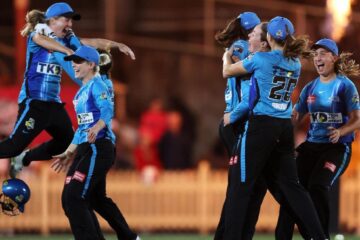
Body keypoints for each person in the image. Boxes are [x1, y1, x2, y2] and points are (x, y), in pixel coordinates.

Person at [222, 16, 326, 239]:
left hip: (260, 126)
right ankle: (319, 236)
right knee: (293, 187)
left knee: (241, 188)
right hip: (284, 128)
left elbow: (228, 72)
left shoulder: (261, 59)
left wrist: (225, 58)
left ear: (268, 38)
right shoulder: (295, 63)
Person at [9, 2, 135, 177]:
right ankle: (18, 154)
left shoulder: (66, 40)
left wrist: (116, 44)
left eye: (71, 21)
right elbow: (40, 39)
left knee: (66, 141)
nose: (70, 25)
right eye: (66, 20)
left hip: (53, 104)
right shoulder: (39, 35)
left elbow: (93, 42)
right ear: (52, 20)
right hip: (35, 102)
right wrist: (67, 50)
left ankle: (24, 158)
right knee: (13, 146)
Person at [51, 45, 140, 240]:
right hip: (86, 148)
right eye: (72, 61)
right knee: (93, 199)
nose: (74, 65)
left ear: (91, 64)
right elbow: (82, 128)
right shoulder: (80, 93)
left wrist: (98, 126)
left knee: (74, 197)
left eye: (78, 61)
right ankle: (130, 237)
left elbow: (107, 110)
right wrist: (69, 151)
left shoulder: (98, 84)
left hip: (98, 147)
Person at [275, 38, 360, 239]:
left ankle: (321, 236)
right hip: (312, 147)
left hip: (337, 148)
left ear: (335, 58)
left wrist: (341, 131)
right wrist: (279, 121)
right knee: (292, 190)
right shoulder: (310, 88)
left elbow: (358, 119)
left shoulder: (345, 86)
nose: (317, 58)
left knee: (318, 186)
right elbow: (295, 116)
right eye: (315, 54)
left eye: (323, 53)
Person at [214, 13, 269, 240]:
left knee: (247, 186)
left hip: (241, 121)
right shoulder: (240, 46)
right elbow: (240, 73)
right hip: (237, 122)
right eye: (255, 30)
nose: (255, 34)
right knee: (241, 188)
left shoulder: (241, 46)